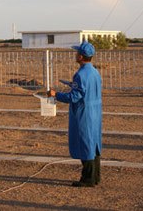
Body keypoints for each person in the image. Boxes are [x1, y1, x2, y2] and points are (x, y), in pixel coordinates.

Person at [48, 41, 102, 187]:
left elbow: (74, 97)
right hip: (95, 112)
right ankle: (96, 176)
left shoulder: (80, 74)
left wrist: (56, 94)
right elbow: (88, 90)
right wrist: (73, 86)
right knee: (94, 143)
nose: (75, 54)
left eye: (77, 53)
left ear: (81, 56)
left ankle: (87, 179)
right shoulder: (95, 72)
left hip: (83, 113)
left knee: (85, 144)